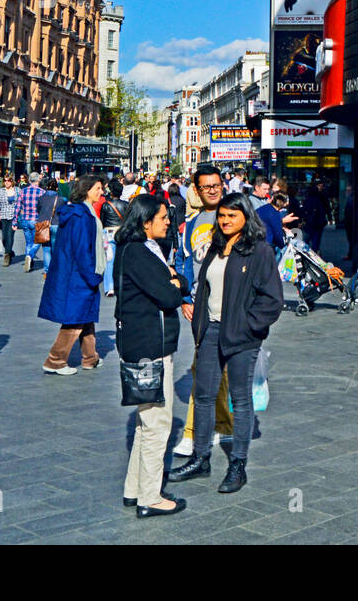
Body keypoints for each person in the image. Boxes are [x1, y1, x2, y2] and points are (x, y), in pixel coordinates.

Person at [168, 193, 283, 493]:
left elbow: (272, 300)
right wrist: (200, 323)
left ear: (246, 216)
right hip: (210, 331)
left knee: (241, 399)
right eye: (222, 216)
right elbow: (204, 286)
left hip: (241, 336)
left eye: (232, 215)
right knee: (203, 396)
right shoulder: (216, 247)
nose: (225, 220)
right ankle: (200, 458)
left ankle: (238, 465)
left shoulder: (259, 251)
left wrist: (249, 327)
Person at [114, 194, 188, 516]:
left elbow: (173, 282)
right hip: (149, 346)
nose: (168, 221)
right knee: (158, 422)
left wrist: (176, 279)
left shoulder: (137, 250)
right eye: (162, 217)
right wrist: (177, 282)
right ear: (146, 222)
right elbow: (169, 294)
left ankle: (135, 488)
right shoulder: (140, 253)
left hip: (141, 343)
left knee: (146, 422)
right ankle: (150, 497)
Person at [172, 167, 235, 458]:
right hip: (199, 305)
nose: (212, 190)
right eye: (205, 186)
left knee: (204, 368)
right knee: (211, 367)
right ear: (196, 190)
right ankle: (224, 425)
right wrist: (185, 297)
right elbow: (186, 263)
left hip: (227, 304)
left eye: (216, 185)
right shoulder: (193, 223)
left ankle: (194, 432)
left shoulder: (232, 216)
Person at [38, 176, 105, 375]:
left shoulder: (82, 211)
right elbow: (82, 248)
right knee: (75, 318)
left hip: (75, 271)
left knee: (85, 314)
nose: (101, 192)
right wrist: (91, 275)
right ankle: (55, 360)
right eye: (98, 188)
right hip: (78, 273)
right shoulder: (82, 215)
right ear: (86, 190)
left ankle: (89, 358)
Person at [100, 179, 130, 298]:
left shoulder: (106, 205)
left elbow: (103, 221)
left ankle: (110, 287)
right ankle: (122, 285)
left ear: (111, 191)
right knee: (122, 260)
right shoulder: (126, 205)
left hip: (108, 232)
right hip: (122, 232)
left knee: (109, 261)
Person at [17, 173, 47, 272]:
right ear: (38, 180)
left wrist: (14, 221)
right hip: (37, 219)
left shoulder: (23, 191)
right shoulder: (42, 192)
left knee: (28, 242)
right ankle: (30, 255)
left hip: (25, 219)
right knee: (38, 241)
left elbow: (18, 207)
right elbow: (44, 208)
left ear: (29, 181)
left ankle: (29, 260)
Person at [36, 177, 65, 277]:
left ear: (47, 187)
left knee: (46, 249)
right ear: (57, 188)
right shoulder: (61, 199)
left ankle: (47, 271)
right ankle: (55, 269)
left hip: (44, 225)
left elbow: (38, 210)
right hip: (56, 224)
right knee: (55, 248)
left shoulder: (41, 198)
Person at [0, 175, 19, 267]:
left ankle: (7, 255)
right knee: (4, 238)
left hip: (14, 216)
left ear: (12, 181)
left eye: (9, 180)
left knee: (10, 235)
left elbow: (21, 203)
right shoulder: (1, 191)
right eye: (5, 180)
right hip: (3, 216)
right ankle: (10, 251)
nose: (7, 182)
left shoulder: (17, 190)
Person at [302, 180, 328, 251]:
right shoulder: (320, 198)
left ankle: (305, 252)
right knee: (315, 242)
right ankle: (314, 253)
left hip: (310, 223)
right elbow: (323, 209)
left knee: (307, 239)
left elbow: (304, 210)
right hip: (317, 223)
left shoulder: (308, 199)